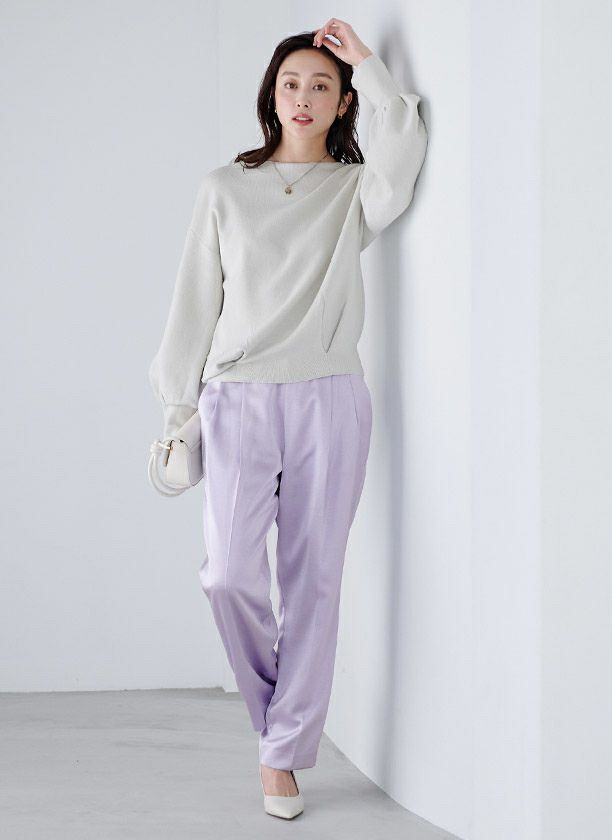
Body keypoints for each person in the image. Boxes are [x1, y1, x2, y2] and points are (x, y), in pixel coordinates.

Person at [148, 18, 428, 819]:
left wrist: (367, 62)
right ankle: (279, 718)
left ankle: (282, 755)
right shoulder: (224, 188)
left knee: (314, 581)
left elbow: (403, 144)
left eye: (322, 86)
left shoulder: (355, 191)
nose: (303, 97)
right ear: (271, 95)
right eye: (291, 83)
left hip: (330, 399)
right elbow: (194, 301)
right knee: (229, 575)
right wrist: (177, 408)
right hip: (236, 397)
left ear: (343, 104)